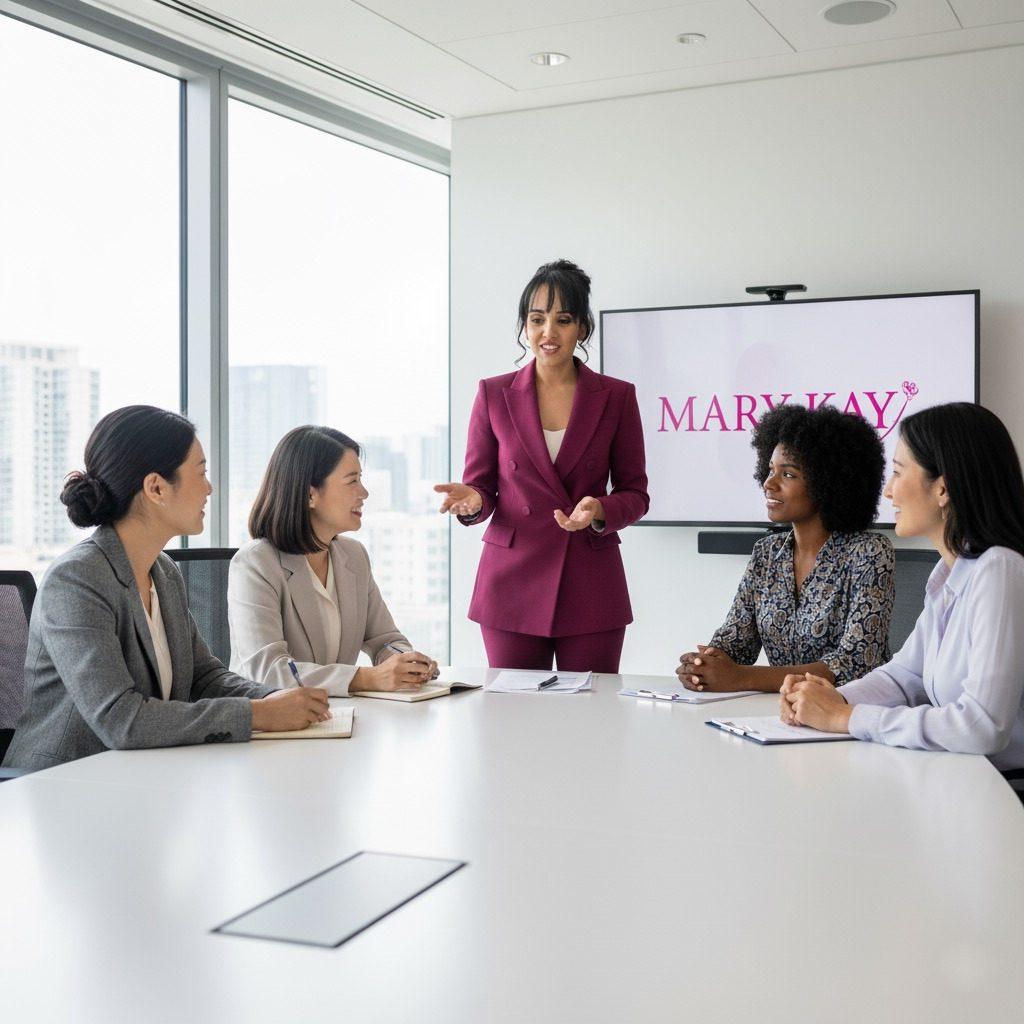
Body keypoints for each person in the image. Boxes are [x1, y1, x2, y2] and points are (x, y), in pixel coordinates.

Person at [2, 406, 328, 772]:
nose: (209, 487)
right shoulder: (76, 579)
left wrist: (279, 698)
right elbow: (120, 719)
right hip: (62, 783)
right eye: (201, 472)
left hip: (137, 775)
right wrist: (257, 714)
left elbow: (206, 677)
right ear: (156, 487)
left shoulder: (163, 571)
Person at [781, 403, 1024, 773]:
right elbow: (904, 676)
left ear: (943, 488)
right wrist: (830, 699)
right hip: (961, 781)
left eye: (897, 473)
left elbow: (982, 726)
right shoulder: (949, 575)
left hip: (1003, 795)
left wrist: (847, 718)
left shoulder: (1000, 570)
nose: (889, 491)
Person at [434, 259, 649, 673]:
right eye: (537, 319)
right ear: (525, 326)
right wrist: (471, 500)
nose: (548, 332)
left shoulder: (617, 397)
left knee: (590, 718)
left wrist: (600, 510)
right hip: (510, 581)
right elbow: (482, 488)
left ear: (582, 328)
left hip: (590, 580)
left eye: (563, 319)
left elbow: (636, 493)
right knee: (512, 720)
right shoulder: (493, 393)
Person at [678, 403, 894, 693]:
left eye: (788, 474)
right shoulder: (766, 553)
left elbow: (854, 664)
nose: (769, 483)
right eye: (770, 470)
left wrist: (741, 678)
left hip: (851, 714)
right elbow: (736, 644)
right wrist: (704, 666)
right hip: (779, 714)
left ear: (829, 482)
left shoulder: (869, 552)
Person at [228, 425, 437, 694]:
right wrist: (366, 678)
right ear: (310, 494)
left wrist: (406, 663)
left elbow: (384, 639)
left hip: (338, 718)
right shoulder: (255, 564)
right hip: (274, 724)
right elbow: (269, 671)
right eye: (352, 481)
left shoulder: (354, 556)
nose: (364, 493)